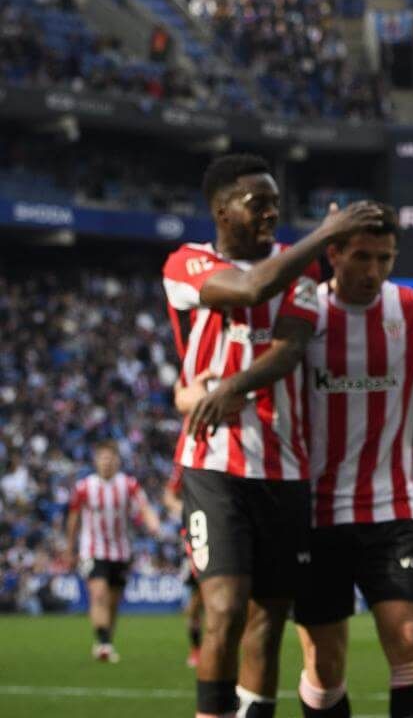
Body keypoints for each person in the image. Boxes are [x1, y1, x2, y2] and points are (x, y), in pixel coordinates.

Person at [178, 202, 413, 718]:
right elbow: (244, 377)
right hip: (315, 513)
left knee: (408, 638)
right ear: (333, 253)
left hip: (392, 508)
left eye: (385, 258)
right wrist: (191, 396)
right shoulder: (302, 311)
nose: (373, 271)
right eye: (362, 257)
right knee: (325, 663)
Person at [163, 154, 387, 718]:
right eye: (256, 203)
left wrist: (231, 386)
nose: (270, 213)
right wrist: (326, 233)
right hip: (213, 463)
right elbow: (247, 289)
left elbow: (289, 350)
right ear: (221, 211)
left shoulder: (301, 275)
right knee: (224, 607)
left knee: (267, 619)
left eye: (275, 204)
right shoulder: (187, 263)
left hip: (284, 468)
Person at [64, 443, 162, 663]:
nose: (106, 462)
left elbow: (144, 507)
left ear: (117, 461)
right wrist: (70, 548)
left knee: (113, 601)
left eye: (110, 458)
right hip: (92, 550)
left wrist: (153, 524)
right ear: (96, 461)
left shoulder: (128, 484)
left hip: (121, 551)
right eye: (103, 458)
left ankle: (105, 641)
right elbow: (73, 518)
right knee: (98, 593)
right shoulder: (84, 487)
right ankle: (104, 644)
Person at [163, 468, 208, 667]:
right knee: (195, 605)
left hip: (224, 540)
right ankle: (196, 648)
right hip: (195, 544)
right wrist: (190, 510)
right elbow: (168, 496)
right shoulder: (187, 465)